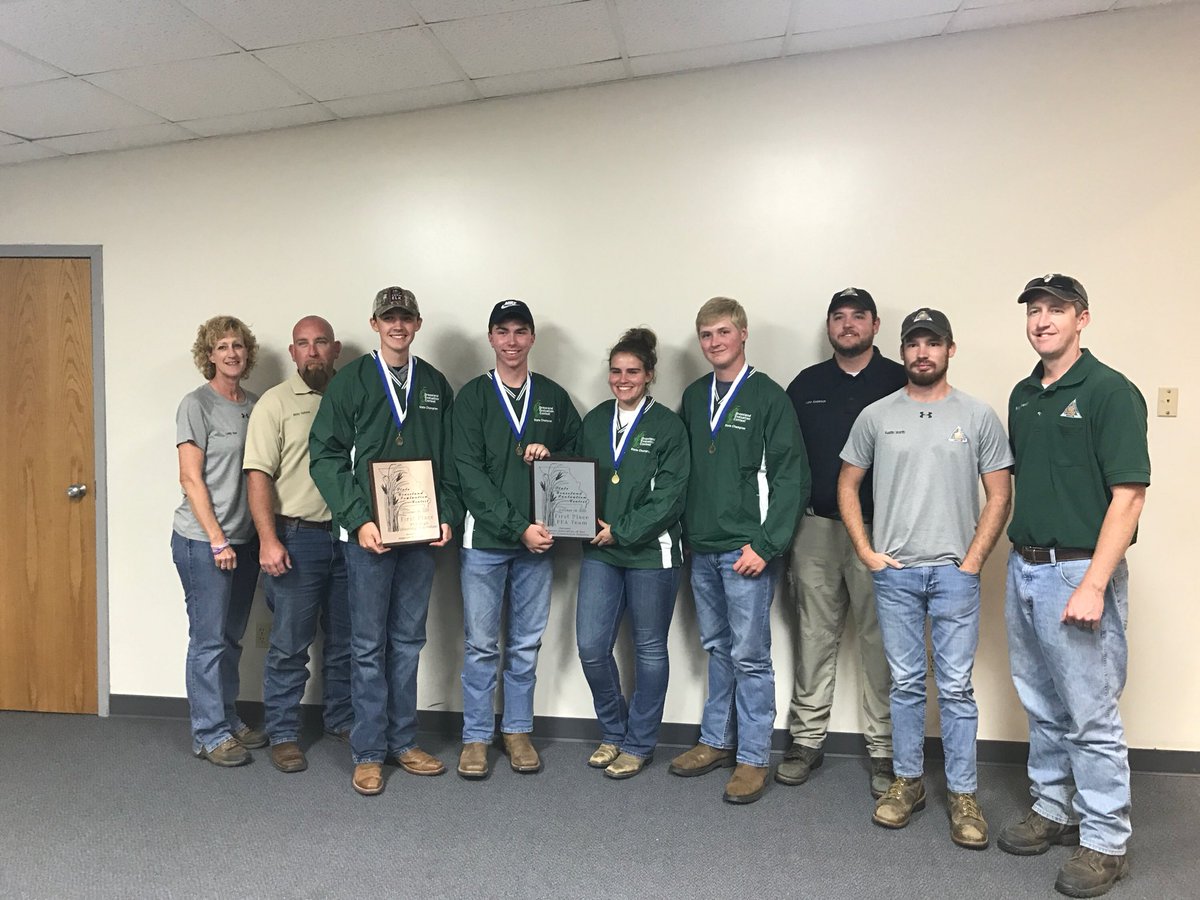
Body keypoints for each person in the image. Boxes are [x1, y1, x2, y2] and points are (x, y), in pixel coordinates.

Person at [838, 307, 1012, 848]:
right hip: (896, 574)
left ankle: (963, 794)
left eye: (932, 343)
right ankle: (908, 782)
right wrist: (866, 551)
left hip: (955, 575)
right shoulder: (876, 415)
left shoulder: (978, 415)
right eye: (914, 343)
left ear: (949, 349)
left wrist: (973, 560)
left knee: (956, 687)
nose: (922, 352)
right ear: (903, 351)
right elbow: (847, 484)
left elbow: (1000, 493)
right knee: (907, 683)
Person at [998, 275, 1149, 898]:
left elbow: (1129, 496)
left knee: (1090, 713)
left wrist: (1093, 583)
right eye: (1034, 310)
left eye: (1055, 310)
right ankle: (1054, 808)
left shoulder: (1110, 391)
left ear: (1081, 319)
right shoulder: (1024, 394)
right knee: (1041, 702)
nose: (1042, 320)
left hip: (1077, 572)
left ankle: (1106, 840)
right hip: (1024, 567)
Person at [309, 287, 461, 797]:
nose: (397, 326)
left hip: (420, 537)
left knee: (409, 641)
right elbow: (326, 456)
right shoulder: (350, 382)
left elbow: (451, 459)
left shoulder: (434, 384)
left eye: (405, 318)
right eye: (388, 318)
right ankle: (369, 751)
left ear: (417, 323)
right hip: (369, 538)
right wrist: (357, 520)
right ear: (374, 324)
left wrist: (447, 515)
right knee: (368, 646)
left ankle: (403, 741)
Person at [669, 296, 809, 804]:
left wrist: (767, 545)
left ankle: (752, 757)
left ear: (743, 334)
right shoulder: (693, 396)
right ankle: (715, 740)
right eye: (706, 335)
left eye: (723, 332)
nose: (714, 342)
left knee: (750, 655)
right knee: (716, 647)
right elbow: (680, 471)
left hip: (746, 551)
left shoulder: (769, 397)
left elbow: (792, 478)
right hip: (702, 548)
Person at [780, 287, 907, 797]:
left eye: (858, 316)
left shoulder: (900, 379)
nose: (848, 324)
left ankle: (885, 749)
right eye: (839, 317)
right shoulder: (806, 385)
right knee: (813, 636)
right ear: (829, 326)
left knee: (881, 642)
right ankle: (806, 740)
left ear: (875, 325)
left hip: (881, 531)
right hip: (815, 529)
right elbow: (786, 462)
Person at [452, 299, 582, 779]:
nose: (511, 341)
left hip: (538, 544)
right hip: (486, 542)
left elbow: (579, 457)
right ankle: (476, 736)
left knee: (526, 644)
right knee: (481, 646)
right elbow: (468, 476)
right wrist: (517, 528)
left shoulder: (552, 396)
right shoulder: (472, 397)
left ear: (532, 338)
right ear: (491, 338)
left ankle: (518, 730)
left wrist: (554, 453)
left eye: (520, 331)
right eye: (502, 331)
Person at [575, 328, 689, 779]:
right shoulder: (594, 421)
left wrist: (620, 531)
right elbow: (575, 480)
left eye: (633, 372)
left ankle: (639, 744)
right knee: (591, 647)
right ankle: (613, 732)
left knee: (649, 650)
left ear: (649, 375)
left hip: (651, 554)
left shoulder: (668, 426)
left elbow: (671, 498)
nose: (623, 379)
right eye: (616, 371)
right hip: (601, 552)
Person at [243, 315, 352, 774]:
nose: (312, 351)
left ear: (335, 349)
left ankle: (341, 719)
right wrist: (268, 540)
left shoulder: (353, 395)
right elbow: (257, 475)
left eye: (321, 342)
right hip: (297, 537)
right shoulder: (275, 403)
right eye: (303, 344)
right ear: (292, 353)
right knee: (289, 644)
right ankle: (284, 732)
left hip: (349, 538)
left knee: (347, 640)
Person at [171, 315, 265, 766]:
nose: (231, 353)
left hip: (246, 540)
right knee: (208, 640)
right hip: (203, 542)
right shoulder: (197, 405)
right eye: (222, 346)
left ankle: (226, 718)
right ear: (209, 354)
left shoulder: (256, 405)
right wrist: (217, 540)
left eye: (238, 345)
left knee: (230, 638)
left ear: (248, 353)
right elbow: (190, 478)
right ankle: (208, 734)